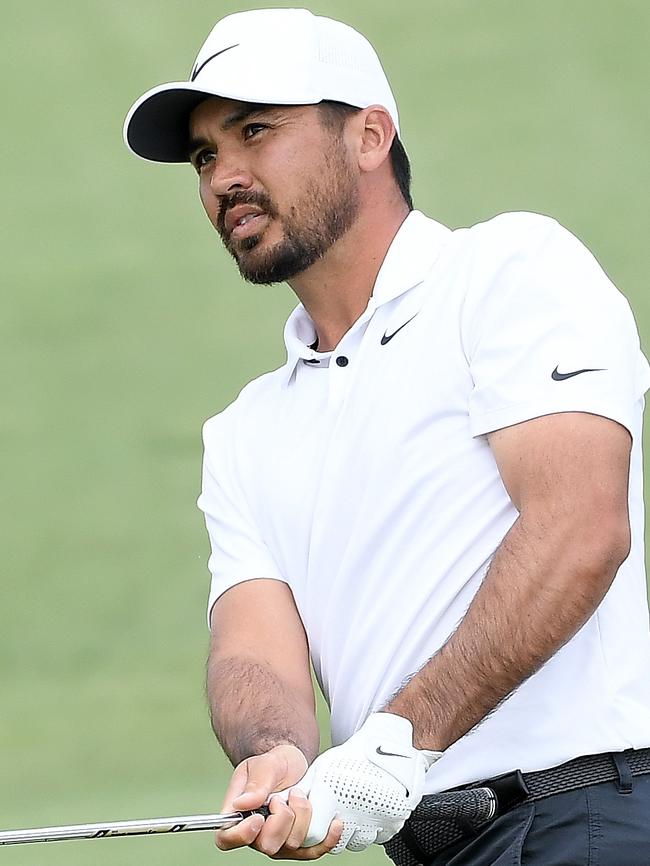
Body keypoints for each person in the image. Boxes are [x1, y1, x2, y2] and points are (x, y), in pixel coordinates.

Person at [123, 8, 650, 865]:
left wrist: (394, 744)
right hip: (432, 849)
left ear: (369, 135)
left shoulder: (509, 271)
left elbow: (581, 532)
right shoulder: (246, 430)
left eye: (256, 130)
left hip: (582, 819)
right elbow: (257, 646)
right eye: (206, 155)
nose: (224, 175)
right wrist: (276, 752)